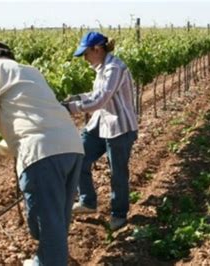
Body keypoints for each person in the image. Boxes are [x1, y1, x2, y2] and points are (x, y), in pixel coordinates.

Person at [0, 41, 84, 266]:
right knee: (56, 223)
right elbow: (28, 127)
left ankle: (48, 262)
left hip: (42, 155)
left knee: (48, 226)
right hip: (72, 147)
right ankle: (47, 259)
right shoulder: (30, 71)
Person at [62, 32, 138, 231]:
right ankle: (87, 201)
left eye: (86, 54)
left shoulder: (114, 68)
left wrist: (70, 109)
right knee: (78, 157)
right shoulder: (101, 68)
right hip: (100, 124)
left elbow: (100, 100)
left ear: (97, 49)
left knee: (117, 173)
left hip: (119, 127)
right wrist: (75, 98)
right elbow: (95, 94)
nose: (84, 59)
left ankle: (119, 214)